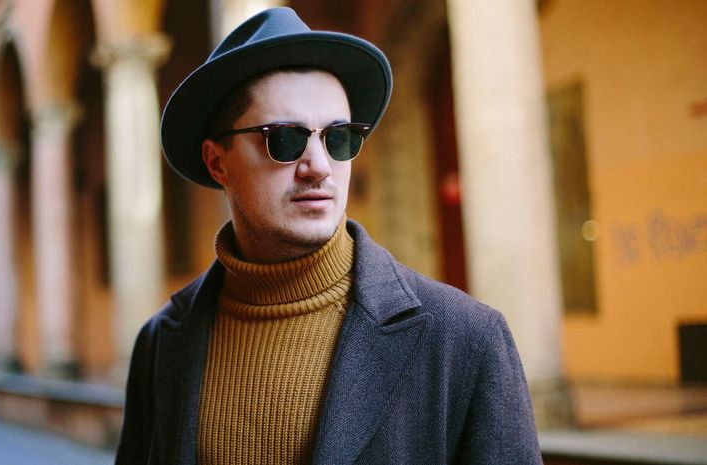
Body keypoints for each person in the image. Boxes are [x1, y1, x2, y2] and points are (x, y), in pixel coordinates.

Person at [115, 7, 542, 465]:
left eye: (338, 138)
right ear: (218, 162)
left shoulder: (467, 341)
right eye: (283, 139)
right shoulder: (162, 343)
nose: (319, 165)